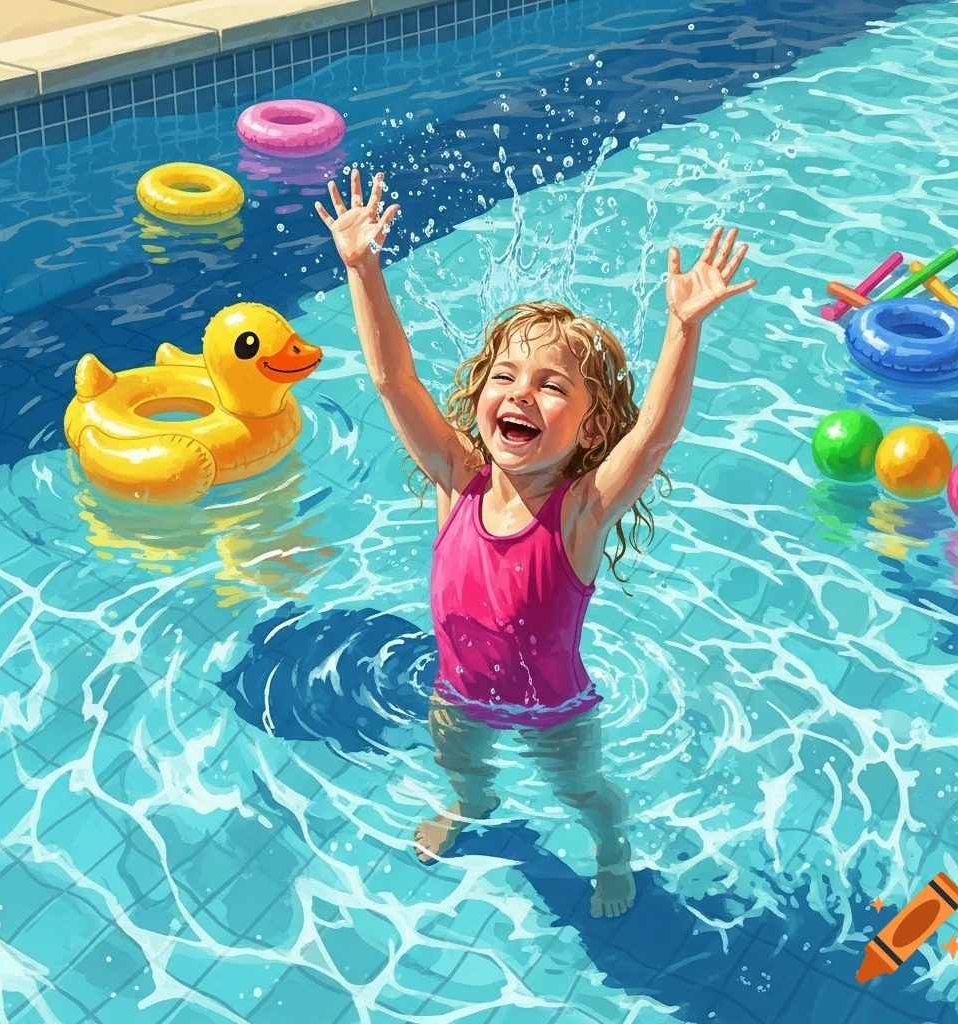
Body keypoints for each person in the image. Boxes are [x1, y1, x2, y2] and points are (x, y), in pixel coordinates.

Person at [316, 170, 755, 918]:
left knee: (584, 793)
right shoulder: (457, 479)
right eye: (506, 375)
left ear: (587, 429)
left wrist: (684, 330)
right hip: (456, 692)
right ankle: (468, 806)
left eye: (552, 386)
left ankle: (611, 854)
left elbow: (650, 441)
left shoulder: (579, 514)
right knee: (463, 768)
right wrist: (363, 268)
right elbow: (394, 381)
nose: (521, 393)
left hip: (556, 711)